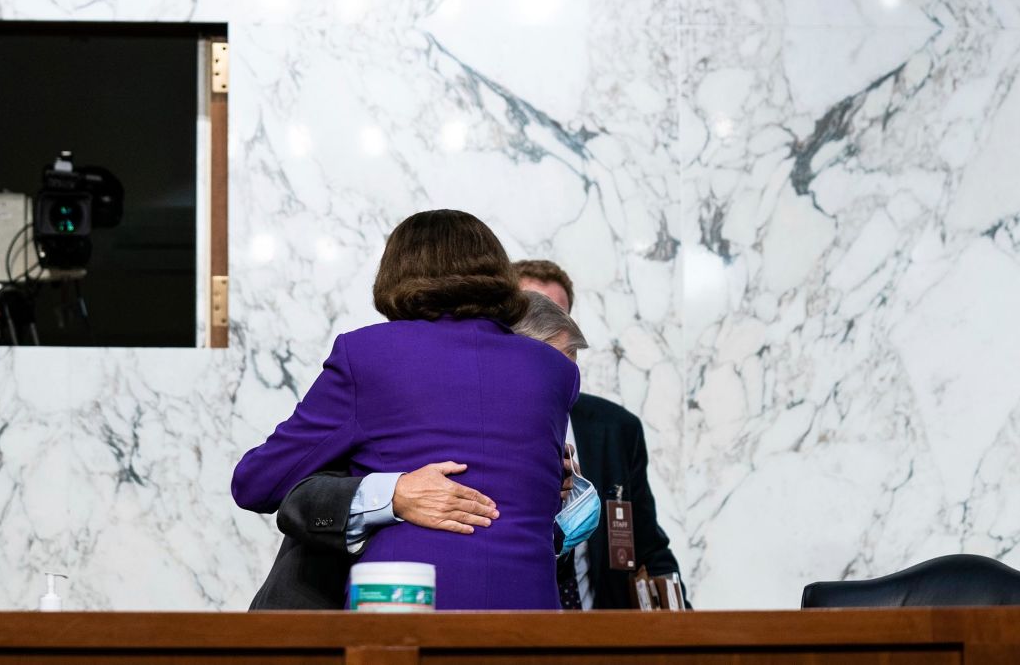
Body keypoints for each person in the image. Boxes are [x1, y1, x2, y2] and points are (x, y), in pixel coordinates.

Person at [232, 210, 578, 610]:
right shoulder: (554, 370)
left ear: (396, 273)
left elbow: (257, 481)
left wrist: (385, 490)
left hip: (408, 604)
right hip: (529, 606)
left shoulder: (367, 355)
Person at [513, 258, 687, 609]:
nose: (545, 333)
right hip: (515, 628)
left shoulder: (616, 428)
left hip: (600, 636)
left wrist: (686, 628)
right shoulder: (479, 425)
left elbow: (647, 546)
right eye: (532, 317)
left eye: (556, 317)